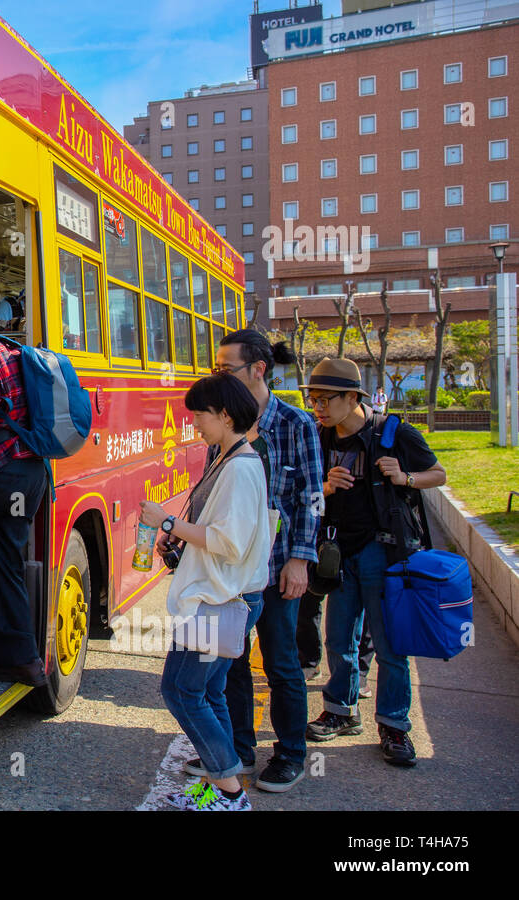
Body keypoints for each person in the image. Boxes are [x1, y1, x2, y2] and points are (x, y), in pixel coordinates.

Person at [183, 330, 323, 794]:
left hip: (278, 566)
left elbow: (311, 497)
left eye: (227, 369)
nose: (218, 376)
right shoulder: (226, 426)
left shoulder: (296, 423)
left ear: (258, 369)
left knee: (281, 662)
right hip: (229, 573)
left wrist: (301, 558)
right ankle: (238, 751)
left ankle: (290, 755)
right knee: (232, 664)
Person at [302, 357, 446, 767]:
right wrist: (326, 488)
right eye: (313, 398)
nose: (318, 407)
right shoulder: (318, 437)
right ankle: (340, 711)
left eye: (326, 399)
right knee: (339, 639)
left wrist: (405, 478)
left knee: (390, 646)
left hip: (385, 554)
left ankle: (395, 726)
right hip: (337, 552)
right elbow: (304, 499)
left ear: (353, 398)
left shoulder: (393, 433)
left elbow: (438, 473)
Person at [142, 373, 273, 811]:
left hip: (221, 600)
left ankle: (232, 793)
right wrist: (176, 534)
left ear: (225, 415)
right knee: (208, 692)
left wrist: (165, 522)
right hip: (228, 596)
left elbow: (228, 542)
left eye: (200, 413)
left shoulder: (238, 467)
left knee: (181, 690)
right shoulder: (230, 458)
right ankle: (221, 787)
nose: (194, 421)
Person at [0, 333, 48, 687]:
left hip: (3, 472)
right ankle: (17, 658)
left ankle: (19, 659)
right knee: (4, 561)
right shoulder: (9, 347)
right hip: (29, 469)